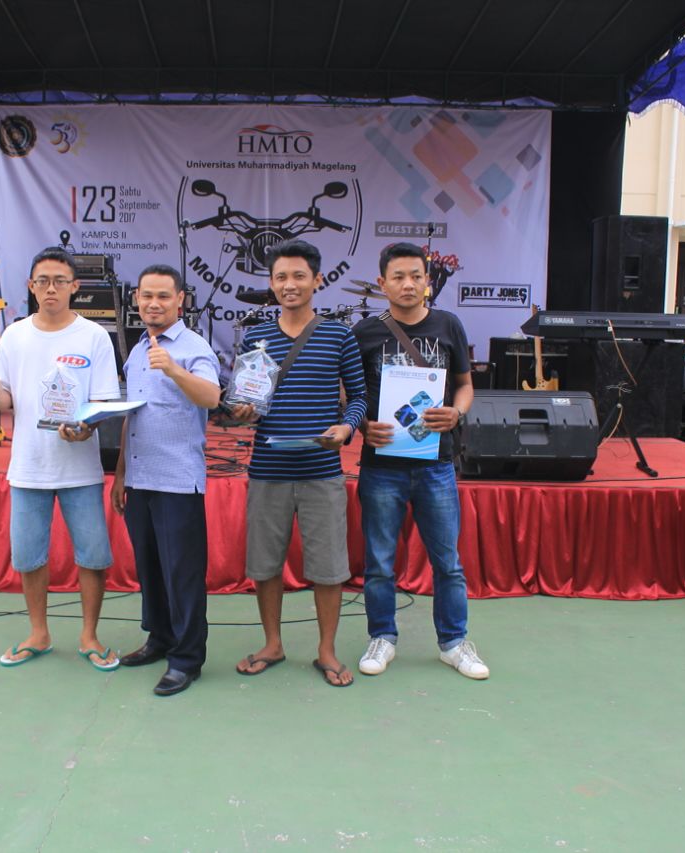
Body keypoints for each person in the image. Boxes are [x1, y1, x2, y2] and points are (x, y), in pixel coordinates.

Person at [229, 239, 366, 687]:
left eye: (299, 276)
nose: (290, 284)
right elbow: (246, 402)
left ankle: (326, 651)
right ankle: (273, 643)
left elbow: (359, 397)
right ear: (271, 283)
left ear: (317, 280)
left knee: (329, 567)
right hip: (268, 469)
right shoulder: (256, 338)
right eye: (281, 277)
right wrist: (244, 412)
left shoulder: (339, 335)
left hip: (322, 471)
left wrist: (346, 427)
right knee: (264, 564)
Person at [0, 247, 121, 671]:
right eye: (43, 281)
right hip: (28, 465)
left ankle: (89, 635)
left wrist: (86, 429)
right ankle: (38, 632)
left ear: (75, 286)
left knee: (93, 555)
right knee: (28, 555)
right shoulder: (15, 335)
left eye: (60, 281)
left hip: (79, 467)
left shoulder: (93, 336)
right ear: (31, 286)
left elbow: (102, 403)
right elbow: (5, 393)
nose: (51, 288)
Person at [351, 242, 488, 680]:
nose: (408, 284)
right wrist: (362, 425)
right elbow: (349, 393)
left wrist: (456, 413)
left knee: (448, 562)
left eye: (416, 276)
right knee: (379, 563)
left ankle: (454, 643)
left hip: (436, 464)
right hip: (381, 466)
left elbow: (465, 385)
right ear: (382, 283)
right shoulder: (364, 332)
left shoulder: (449, 325)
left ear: (428, 281)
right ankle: (382, 636)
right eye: (398, 277)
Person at [111, 265, 220, 696]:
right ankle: (159, 638)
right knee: (150, 567)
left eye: (163, 296)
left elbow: (212, 396)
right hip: (140, 478)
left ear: (180, 300)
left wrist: (174, 370)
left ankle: (187, 658)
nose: (153, 303)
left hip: (177, 480)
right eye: (146, 296)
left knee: (182, 573)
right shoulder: (137, 349)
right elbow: (132, 416)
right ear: (136, 299)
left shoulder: (194, 347)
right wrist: (121, 473)